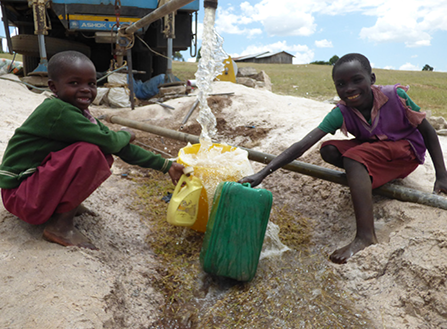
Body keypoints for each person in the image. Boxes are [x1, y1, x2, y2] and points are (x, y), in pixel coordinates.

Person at [240, 53, 447, 264]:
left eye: (357, 80)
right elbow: (302, 145)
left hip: (407, 152)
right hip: (380, 150)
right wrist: (262, 173)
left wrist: (441, 175)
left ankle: (366, 237)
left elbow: (428, 132)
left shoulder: (396, 96)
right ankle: (367, 177)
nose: (349, 89)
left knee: (354, 158)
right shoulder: (342, 111)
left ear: (372, 79)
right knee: (329, 149)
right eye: (341, 84)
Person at [0, 50, 184, 250]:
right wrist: (127, 134)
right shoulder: (59, 112)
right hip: (20, 197)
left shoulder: (79, 114)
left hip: (29, 191)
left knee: (98, 150)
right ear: (53, 87)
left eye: (92, 83)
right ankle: (60, 226)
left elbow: (120, 148)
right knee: (90, 153)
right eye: (74, 83)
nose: (86, 89)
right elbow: (115, 142)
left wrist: (167, 166)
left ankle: (65, 204)